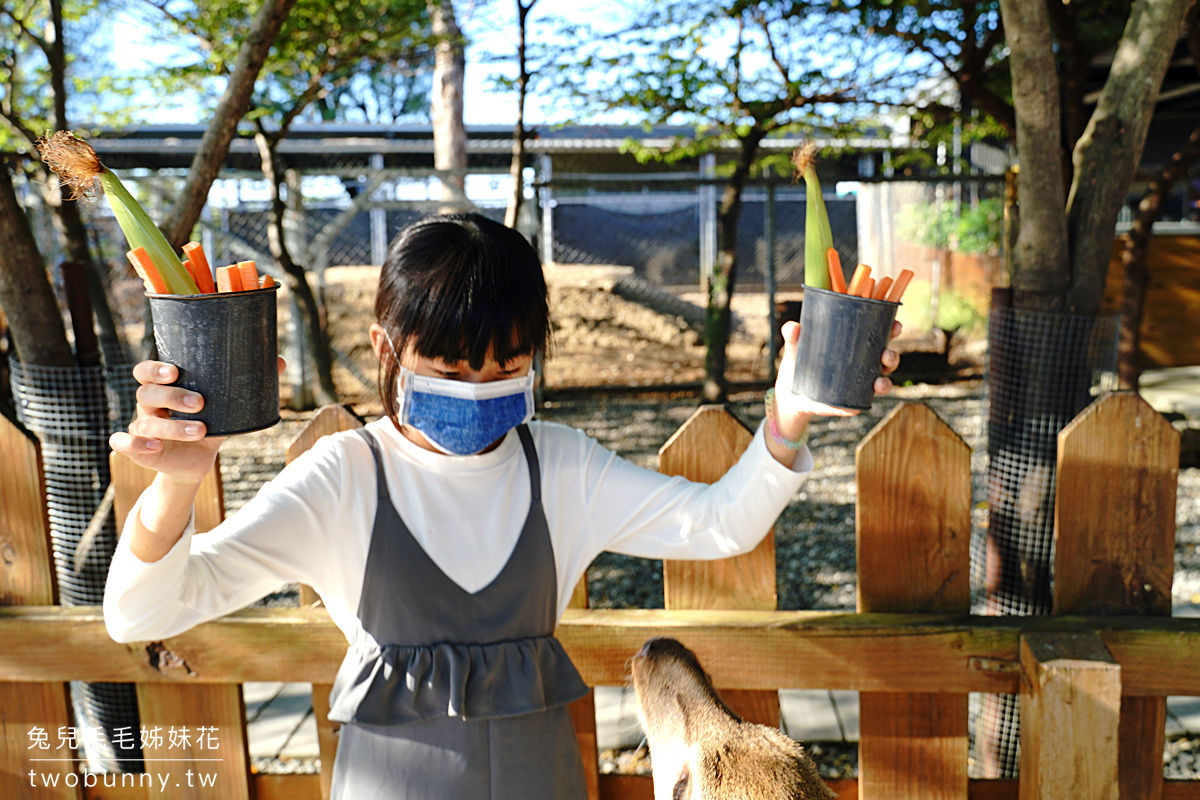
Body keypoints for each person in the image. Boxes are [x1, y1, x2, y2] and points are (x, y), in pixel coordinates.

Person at [104, 213, 899, 799]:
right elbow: (141, 616)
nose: (478, 391)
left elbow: (721, 522)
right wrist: (179, 479)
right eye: (449, 368)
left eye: (505, 367)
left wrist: (788, 417)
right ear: (387, 350)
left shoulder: (555, 465)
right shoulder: (345, 477)